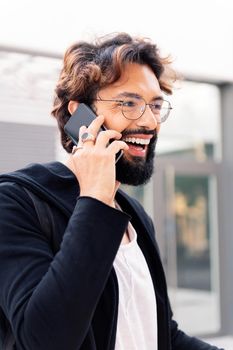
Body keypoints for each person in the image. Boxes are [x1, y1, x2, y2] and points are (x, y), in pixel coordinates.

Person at [0, 33, 223, 350]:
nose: (149, 122)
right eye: (128, 103)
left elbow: (162, 334)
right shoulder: (15, 201)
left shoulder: (134, 217)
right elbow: (46, 340)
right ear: (81, 115)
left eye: (156, 105)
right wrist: (93, 198)